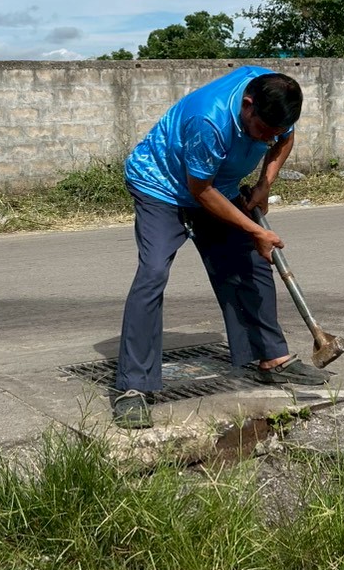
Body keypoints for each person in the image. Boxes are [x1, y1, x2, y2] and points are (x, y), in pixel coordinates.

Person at [113, 65, 331, 428]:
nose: (267, 140)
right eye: (262, 131)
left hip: (219, 185)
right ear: (247, 105)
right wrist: (256, 230)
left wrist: (264, 184)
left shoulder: (276, 98)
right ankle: (134, 386)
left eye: (273, 133)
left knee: (249, 263)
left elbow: (284, 139)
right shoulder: (209, 120)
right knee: (153, 271)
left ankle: (271, 358)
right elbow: (201, 191)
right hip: (161, 186)